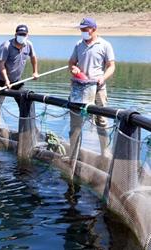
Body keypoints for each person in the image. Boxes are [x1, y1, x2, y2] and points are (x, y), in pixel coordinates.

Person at [68, 17, 115, 158]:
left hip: (98, 88)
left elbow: (111, 67)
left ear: (93, 30)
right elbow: (71, 62)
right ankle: (74, 153)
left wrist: (103, 78)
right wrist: (74, 68)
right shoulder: (78, 45)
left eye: (84, 30)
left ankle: (104, 153)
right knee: (75, 120)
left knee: (101, 120)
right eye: (81, 30)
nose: (82, 32)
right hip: (80, 88)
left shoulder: (105, 45)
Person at [0, 24, 39, 141]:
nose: (22, 36)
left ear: (27, 35)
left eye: (24, 35)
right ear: (15, 35)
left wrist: (35, 71)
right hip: (1, 80)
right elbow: (1, 64)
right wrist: (6, 80)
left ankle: (28, 132)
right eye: (19, 34)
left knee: (25, 103)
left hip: (17, 80)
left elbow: (33, 57)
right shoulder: (6, 46)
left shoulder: (29, 45)